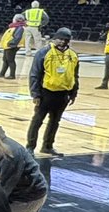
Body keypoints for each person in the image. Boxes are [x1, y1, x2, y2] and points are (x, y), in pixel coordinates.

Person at [26, 27, 79, 157]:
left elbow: (74, 75)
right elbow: (35, 74)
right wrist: (35, 94)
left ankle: (47, 146)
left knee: (55, 121)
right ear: (54, 38)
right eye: (60, 39)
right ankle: (30, 147)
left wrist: (74, 92)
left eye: (66, 40)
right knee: (37, 120)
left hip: (63, 94)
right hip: (46, 93)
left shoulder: (72, 55)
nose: (62, 42)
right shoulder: (43, 53)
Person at [0, 14, 26, 79]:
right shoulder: (14, 26)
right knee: (5, 59)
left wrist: (11, 43)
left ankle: (12, 75)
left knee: (10, 60)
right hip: (7, 45)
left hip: (12, 46)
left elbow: (17, 38)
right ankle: (2, 73)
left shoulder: (19, 27)